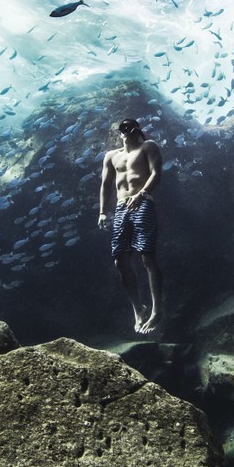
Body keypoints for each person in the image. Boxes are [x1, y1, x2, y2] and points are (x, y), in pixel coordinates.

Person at [98, 118, 164, 334]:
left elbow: (156, 173)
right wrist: (101, 212)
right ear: (119, 132)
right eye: (124, 128)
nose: (128, 131)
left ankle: (156, 310)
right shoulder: (111, 156)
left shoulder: (148, 146)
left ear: (138, 131)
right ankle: (138, 309)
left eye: (132, 127)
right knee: (119, 259)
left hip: (143, 202)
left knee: (146, 255)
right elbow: (106, 185)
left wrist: (142, 193)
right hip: (120, 207)